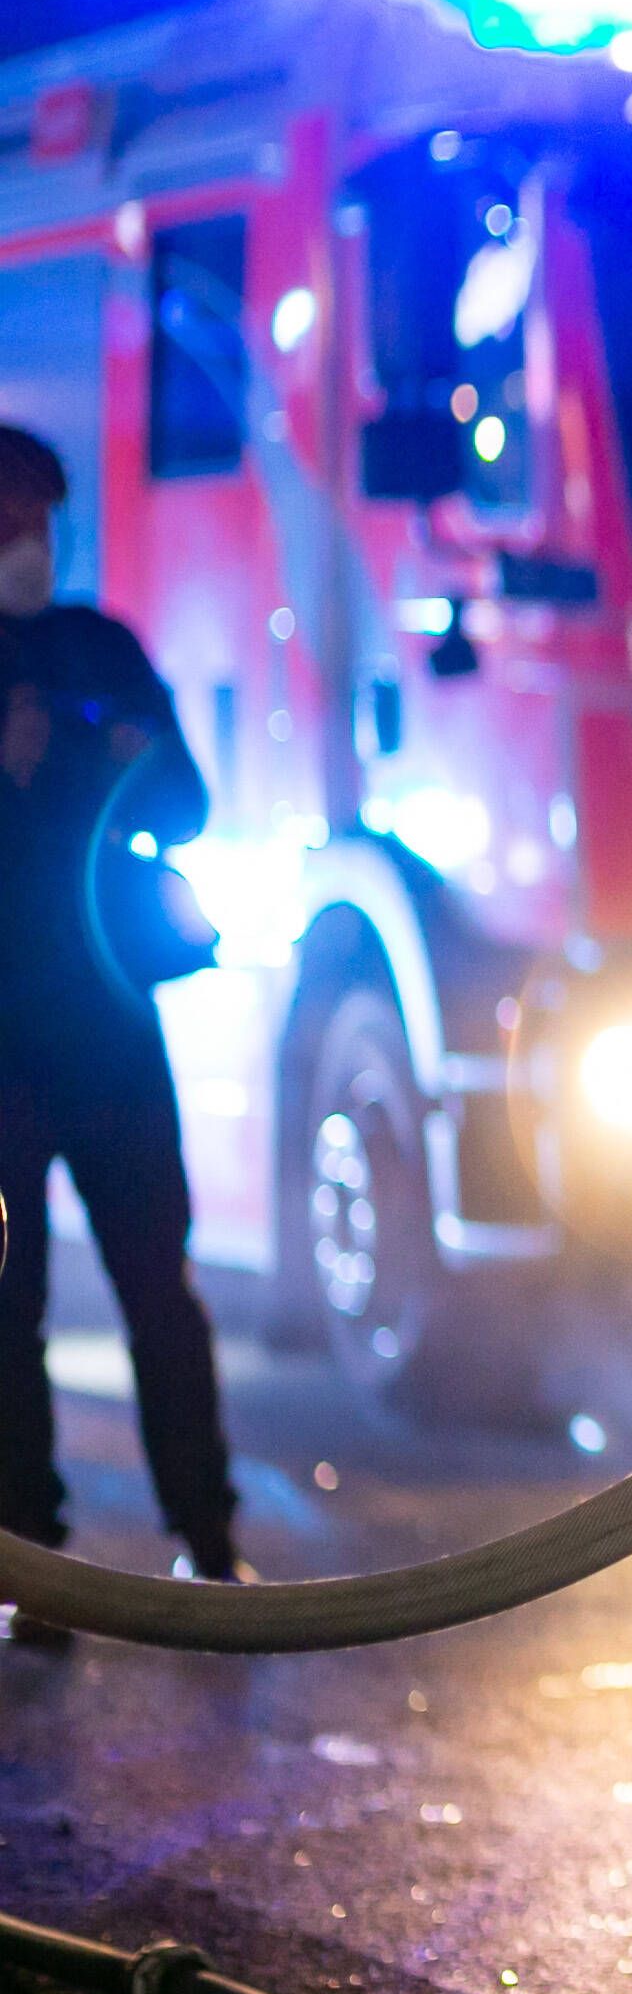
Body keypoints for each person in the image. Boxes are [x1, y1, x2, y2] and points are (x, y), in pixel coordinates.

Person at [0, 421, 239, 1640]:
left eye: (38, 520)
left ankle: (208, 1542)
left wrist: (101, 758)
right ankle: (33, 1572)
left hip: (107, 1029)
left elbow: (187, 798)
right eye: (6, 521)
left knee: (160, 1289)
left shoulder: (99, 645)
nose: (24, 544)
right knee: (5, 1309)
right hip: (2, 1056)